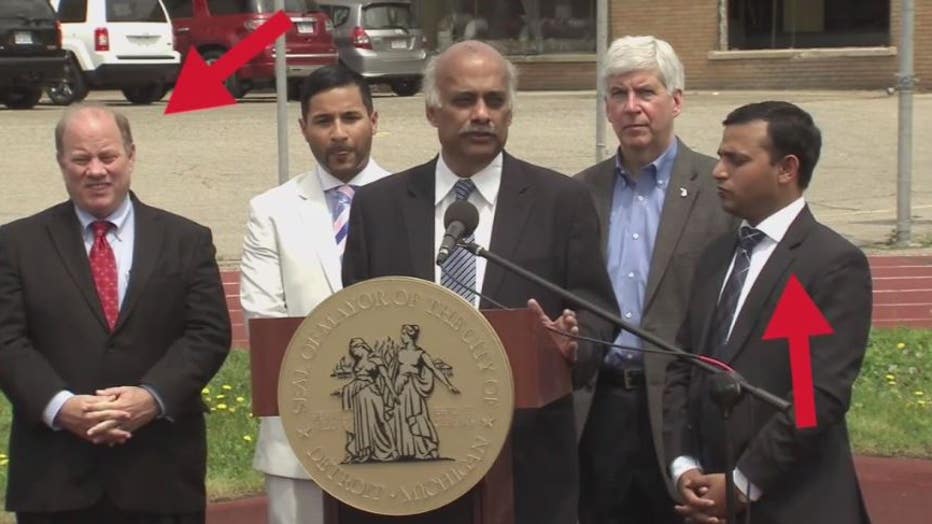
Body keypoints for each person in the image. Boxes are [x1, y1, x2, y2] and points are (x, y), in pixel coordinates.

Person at [342, 40, 618, 524]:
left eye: (495, 101)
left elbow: (597, 312)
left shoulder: (562, 201)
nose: (482, 114)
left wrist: (576, 343)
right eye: (465, 100)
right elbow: (355, 320)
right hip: (413, 461)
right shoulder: (379, 207)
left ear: (510, 112)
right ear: (433, 111)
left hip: (527, 461)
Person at [0, 104, 231, 523]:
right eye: (81, 159)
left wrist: (152, 397)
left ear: (131, 155)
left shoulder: (186, 240)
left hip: (159, 476)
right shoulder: (16, 245)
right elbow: (6, 340)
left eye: (107, 156)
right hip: (55, 480)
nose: (96, 171)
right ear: (61, 163)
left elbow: (208, 334)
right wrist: (60, 406)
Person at [663, 101, 872, 523]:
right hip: (710, 502)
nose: (718, 171)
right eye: (721, 156)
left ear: (786, 169)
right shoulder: (716, 256)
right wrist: (684, 465)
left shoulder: (830, 263)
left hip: (796, 504)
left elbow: (816, 399)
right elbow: (681, 369)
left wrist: (742, 483)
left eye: (736, 160)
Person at [574, 35, 737, 524]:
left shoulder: (719, 189)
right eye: (618, 95)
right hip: (598, 407)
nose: (632, 108)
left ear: (677, 101)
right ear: (606, 108)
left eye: (645, 92)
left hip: (680, 411)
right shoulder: (580, 193)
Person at [239, 64, 391, 524]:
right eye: (324, 122)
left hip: (395, 435)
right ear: (304, 129)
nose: (339, 133)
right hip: (300, 440)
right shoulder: (271, 212)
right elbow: (265, 321)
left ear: (374, 120)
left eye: (351, 118)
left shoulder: (416, 204)